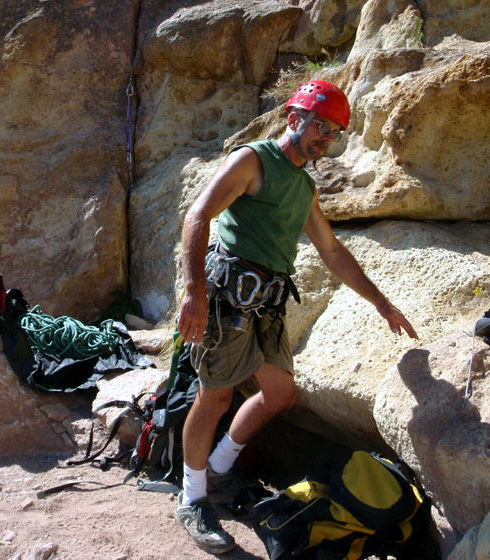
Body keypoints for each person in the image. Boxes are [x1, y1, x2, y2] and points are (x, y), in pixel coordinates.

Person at [174, 79, 419, 555]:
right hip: (226, 299)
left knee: (281, 394)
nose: (325, 140)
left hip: (265, 305)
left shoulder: (304, 186)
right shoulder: (253, 160)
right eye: (320, 128)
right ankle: (192, 497)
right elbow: (197, 216)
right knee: (214, 399)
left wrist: (381, 303)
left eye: (333, 134)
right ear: (295, 119)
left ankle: (221, 470)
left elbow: (331, 250)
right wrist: (194, 292)